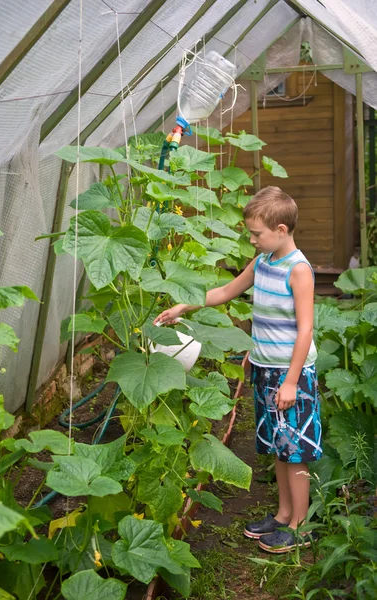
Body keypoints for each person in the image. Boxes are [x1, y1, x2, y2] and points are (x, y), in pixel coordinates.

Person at [154, 186, 322, 553]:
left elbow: (306, 329)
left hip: (291, 375)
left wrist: (292, 381)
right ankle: (281, 515)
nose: (252, 239)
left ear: (280, 229)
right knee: (279, 447)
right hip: (265, 368)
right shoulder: (262, 262)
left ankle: (301, 524)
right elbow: (227, 291)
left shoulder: (299, 271)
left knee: (295, 451)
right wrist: (185, 305)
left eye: (256, 233)